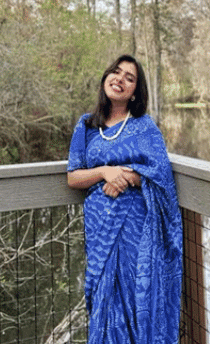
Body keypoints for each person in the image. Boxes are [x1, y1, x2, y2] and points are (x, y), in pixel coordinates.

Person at [67, 55, 182, 344]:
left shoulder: (144, 127)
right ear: (106, 77)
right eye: (116, 72)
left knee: (134, 298)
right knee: (103, 297)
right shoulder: (86, 125)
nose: (120, 79)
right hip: (99, 226)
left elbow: (162, 176)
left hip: (135, 230)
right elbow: (73, 177)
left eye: (129, 78)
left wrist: (130, 176)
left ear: (135, 93)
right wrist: (105, 171)